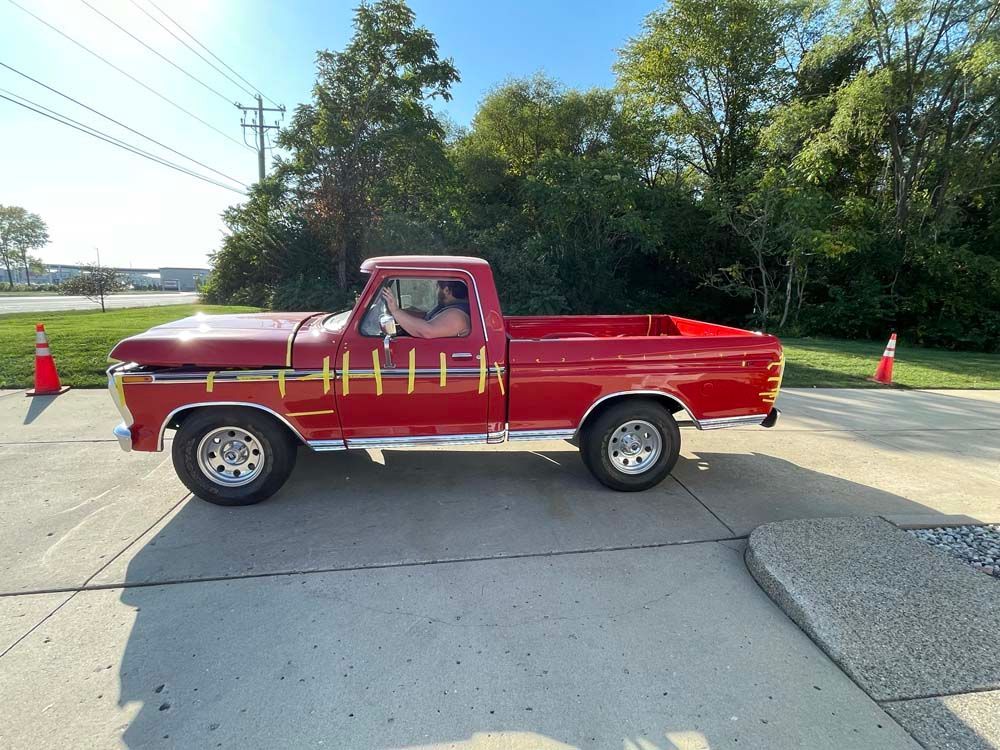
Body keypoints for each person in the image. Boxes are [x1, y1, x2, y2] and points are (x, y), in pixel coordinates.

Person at [379, 280, 471, 338]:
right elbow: (425, 316)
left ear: (446, 290)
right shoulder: (448, 307)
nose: (436, 291)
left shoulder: (457, 315)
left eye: (437, 287)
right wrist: (396, 311)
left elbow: (427, 331)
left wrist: (396, 311)